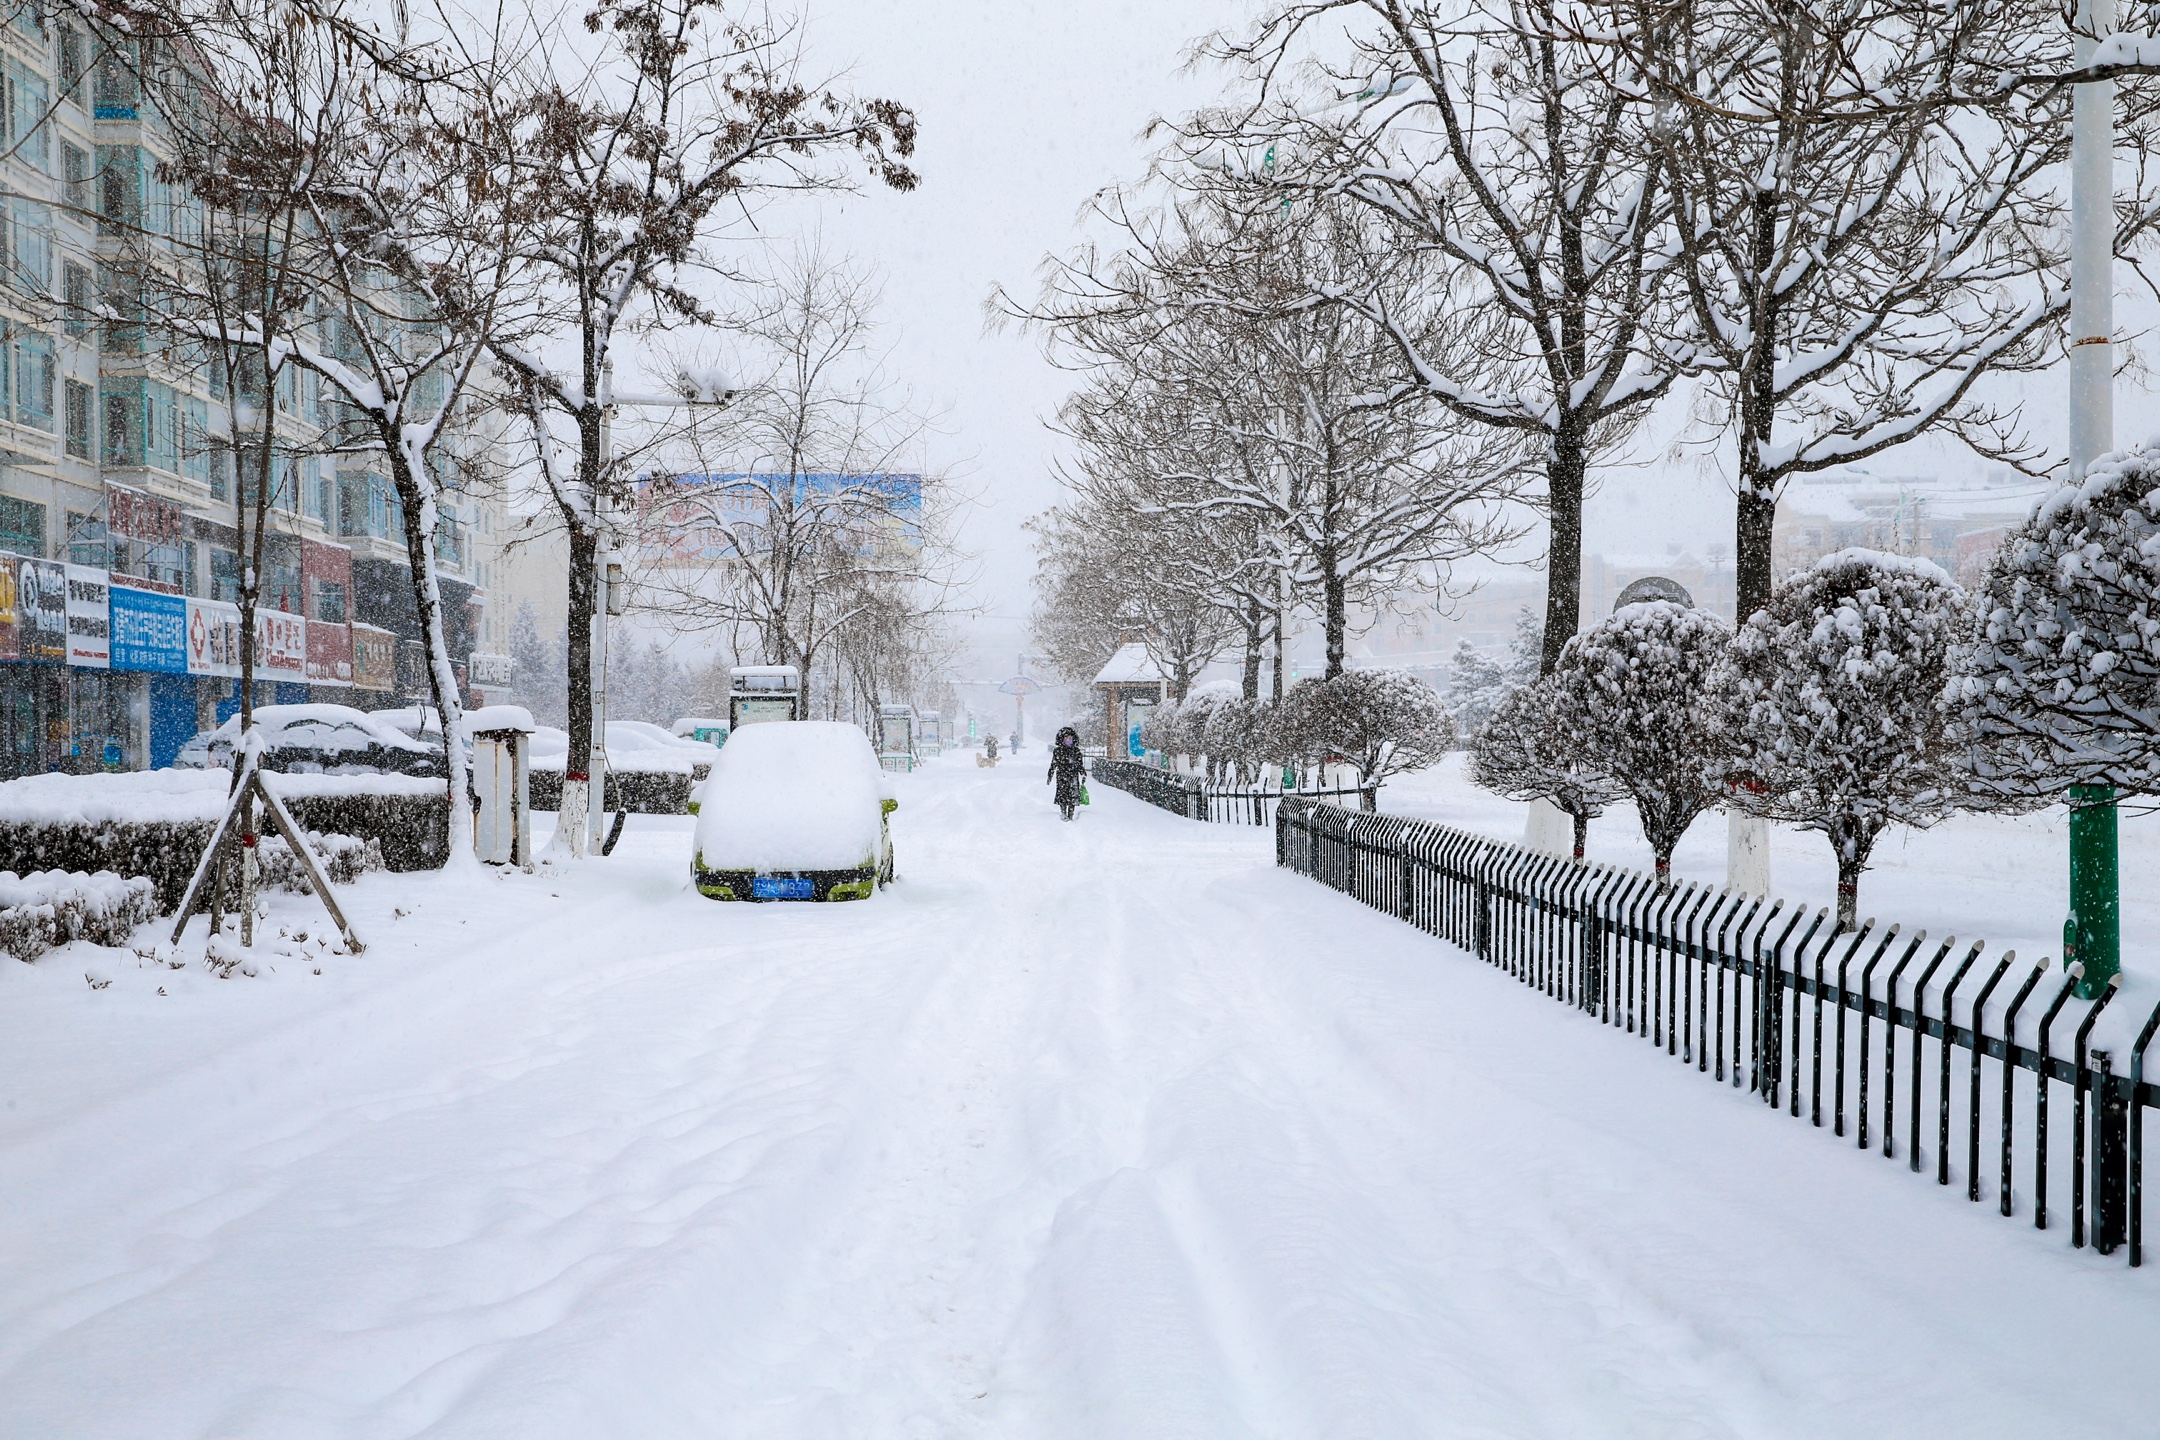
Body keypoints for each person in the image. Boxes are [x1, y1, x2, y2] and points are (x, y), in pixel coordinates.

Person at [1047, 726, 1087, 821]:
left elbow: (1080, 764)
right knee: (1062, 795)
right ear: (1062, 739)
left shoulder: (1076, 751)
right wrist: (1050, 775)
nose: (1068, 740)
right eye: (1066, 738)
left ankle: (1071, 814)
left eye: (1070, 738)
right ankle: (1063, 812)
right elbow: (1053, 764)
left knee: (1073, 796)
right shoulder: (1058, 751)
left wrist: (1083, 773)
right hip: (1062, 776)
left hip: (1073, 776)